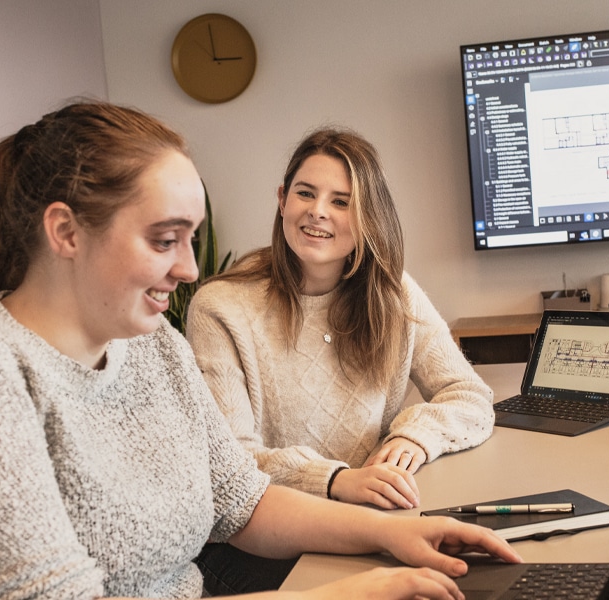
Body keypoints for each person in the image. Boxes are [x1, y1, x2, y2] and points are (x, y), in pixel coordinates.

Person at [0, 101, 521, 600]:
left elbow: (241, 501)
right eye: (164, 240)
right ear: (67, 232)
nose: (190, 269)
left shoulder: (154, 348)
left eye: (191, 240)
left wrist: (396, 534)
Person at [185, 127, 496, 594]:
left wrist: (416, 435)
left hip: (363, 520)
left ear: (369, 216)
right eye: (305, 194)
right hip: (254, 543)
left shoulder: (393, 293)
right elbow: (233, 464)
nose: (317, 211)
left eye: (341, 201)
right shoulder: (220, 307)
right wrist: (334, 481)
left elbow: (469, 395)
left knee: (468, 575)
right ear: (282, 199)